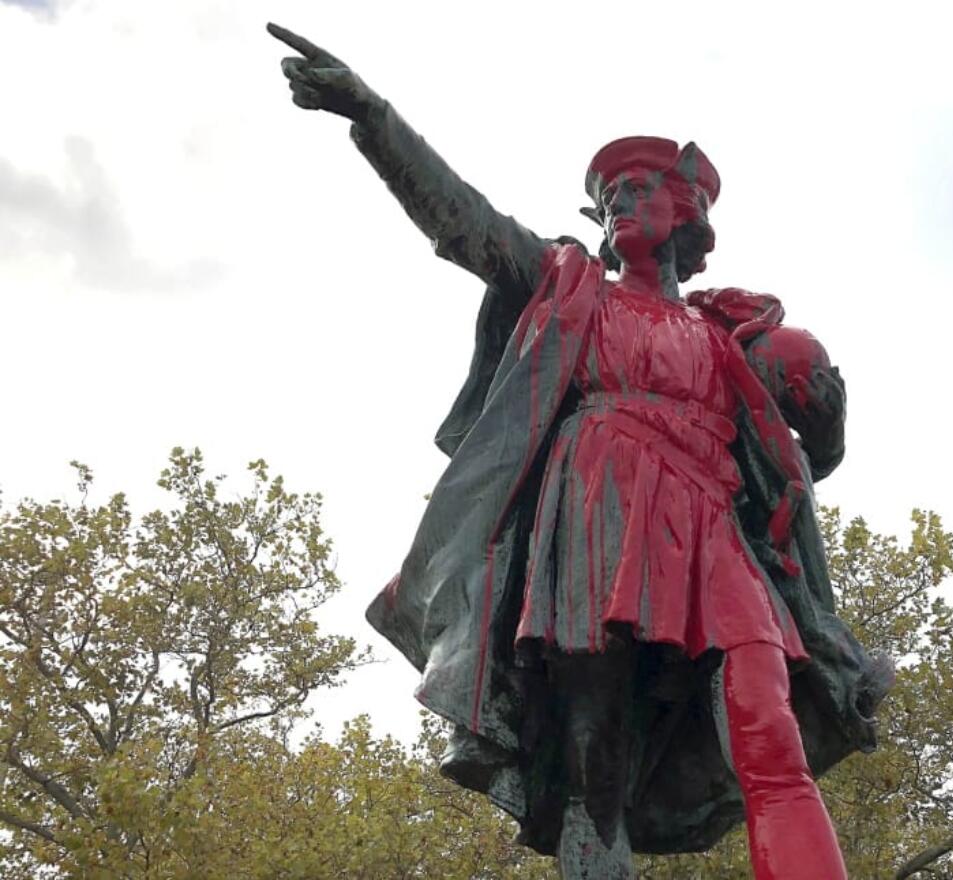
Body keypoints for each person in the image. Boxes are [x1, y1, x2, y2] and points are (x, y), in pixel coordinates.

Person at [270, 22, 893, 880]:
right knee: (590, 774)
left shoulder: (728, 337)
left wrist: (830, 420)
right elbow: (463, 222)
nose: (619, 206)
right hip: (593, 519)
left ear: (686, 212)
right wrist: (370, 115)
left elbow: (801, 462)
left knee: (770, 730)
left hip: (711, 531)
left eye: (638, 189)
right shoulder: (572, 288)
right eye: (609, 198)